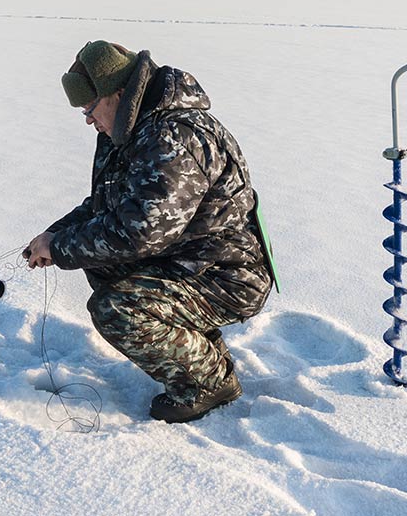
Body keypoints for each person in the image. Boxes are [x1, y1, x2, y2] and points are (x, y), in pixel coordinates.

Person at [25, 40, 273, 423]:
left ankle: (208, 382)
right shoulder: (131, 131)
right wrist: (55, 236)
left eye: (89, 109)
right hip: (187, 262)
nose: (88, 120)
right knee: (103, 264)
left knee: (115, 309)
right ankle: (197, 351)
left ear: (117, 94)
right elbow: (108, 205)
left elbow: (140, 232)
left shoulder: (172, 139)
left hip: (226, 276)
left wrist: (61, 247)